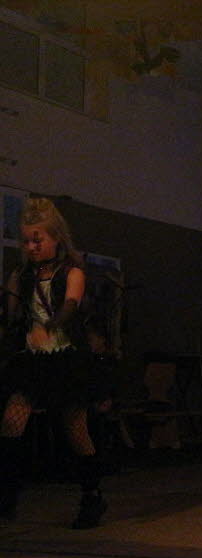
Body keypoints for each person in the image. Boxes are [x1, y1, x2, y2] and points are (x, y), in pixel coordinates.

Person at [0, 198, 105, 529]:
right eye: (26, 241)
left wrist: (49, 326)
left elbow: (70, 305)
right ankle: (7, 493)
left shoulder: (73, 272)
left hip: (67, 361)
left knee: (75, 430)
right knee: (11, 421)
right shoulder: (21, 275)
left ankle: (92, 496)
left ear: (56, 237)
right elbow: (12, 317)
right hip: (33, 363)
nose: (31, 247)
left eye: (38, 240)